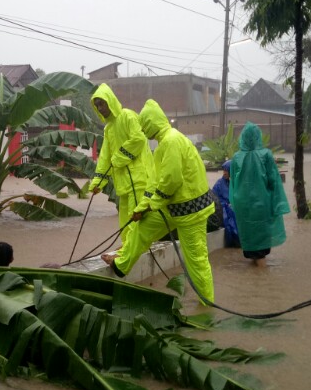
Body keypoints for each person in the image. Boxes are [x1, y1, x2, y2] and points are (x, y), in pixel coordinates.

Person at [102, 99, 216, 303]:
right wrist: (141, 208)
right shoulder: (164, 144)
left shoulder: (171, 141)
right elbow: (155, 181)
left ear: (151, 123)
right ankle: (121, 265)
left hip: (191, 211)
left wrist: (152, 205)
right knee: (142, 227)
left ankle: (206, 305)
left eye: (145, 127)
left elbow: (171, 180)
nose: (144, 133)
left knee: (196, 261)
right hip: (173, 207)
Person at [88, 84, 154, 246]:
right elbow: (105, 157)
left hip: (138, 179)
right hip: (122, 182)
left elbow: (139, 139)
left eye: (102, 104)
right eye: (97, 106)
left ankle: (132, 251)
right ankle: (126, 248)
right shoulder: (108, 128)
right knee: (124, 219)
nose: (100, 108)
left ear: (110, 101)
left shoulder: (128, 116)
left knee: (135, 218)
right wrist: (98, 182)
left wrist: (119, 157)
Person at [229, 122, 290, 267]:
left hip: (243, 206)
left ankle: (256, 284)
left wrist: (234, 203)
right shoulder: (266, 155)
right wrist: (278, 204)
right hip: (262, 205)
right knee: (261, 249)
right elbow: (274, 181)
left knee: (250, 245)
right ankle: (262, 282)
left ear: (242, 137)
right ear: (258, 137)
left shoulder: (236, 157)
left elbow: (233, 184)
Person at [212, 160, 240, 247]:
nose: (224, 173)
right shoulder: (219, 183)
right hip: (224, 208)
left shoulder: (238, 183)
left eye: (226, 171)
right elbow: (214, 199)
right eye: (224, 170)